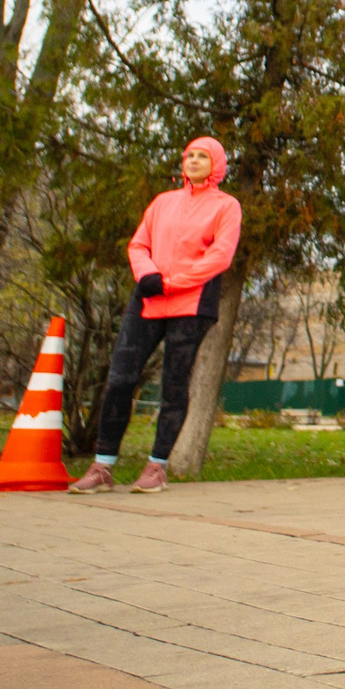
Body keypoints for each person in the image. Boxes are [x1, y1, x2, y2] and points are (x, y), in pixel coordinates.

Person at [70, 137, 242, 494]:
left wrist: (172, 283)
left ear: (217, 165)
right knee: (120, 379)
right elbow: (138, 244)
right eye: (189, 155)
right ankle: (103, 466)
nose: (193, 161)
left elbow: (220, 257)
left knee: (173, 385)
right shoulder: (163, 203)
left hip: (191, 305)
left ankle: (156, 467)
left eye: (202, 156)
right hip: (148, 300)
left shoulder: (227, 207)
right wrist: (147, 275)